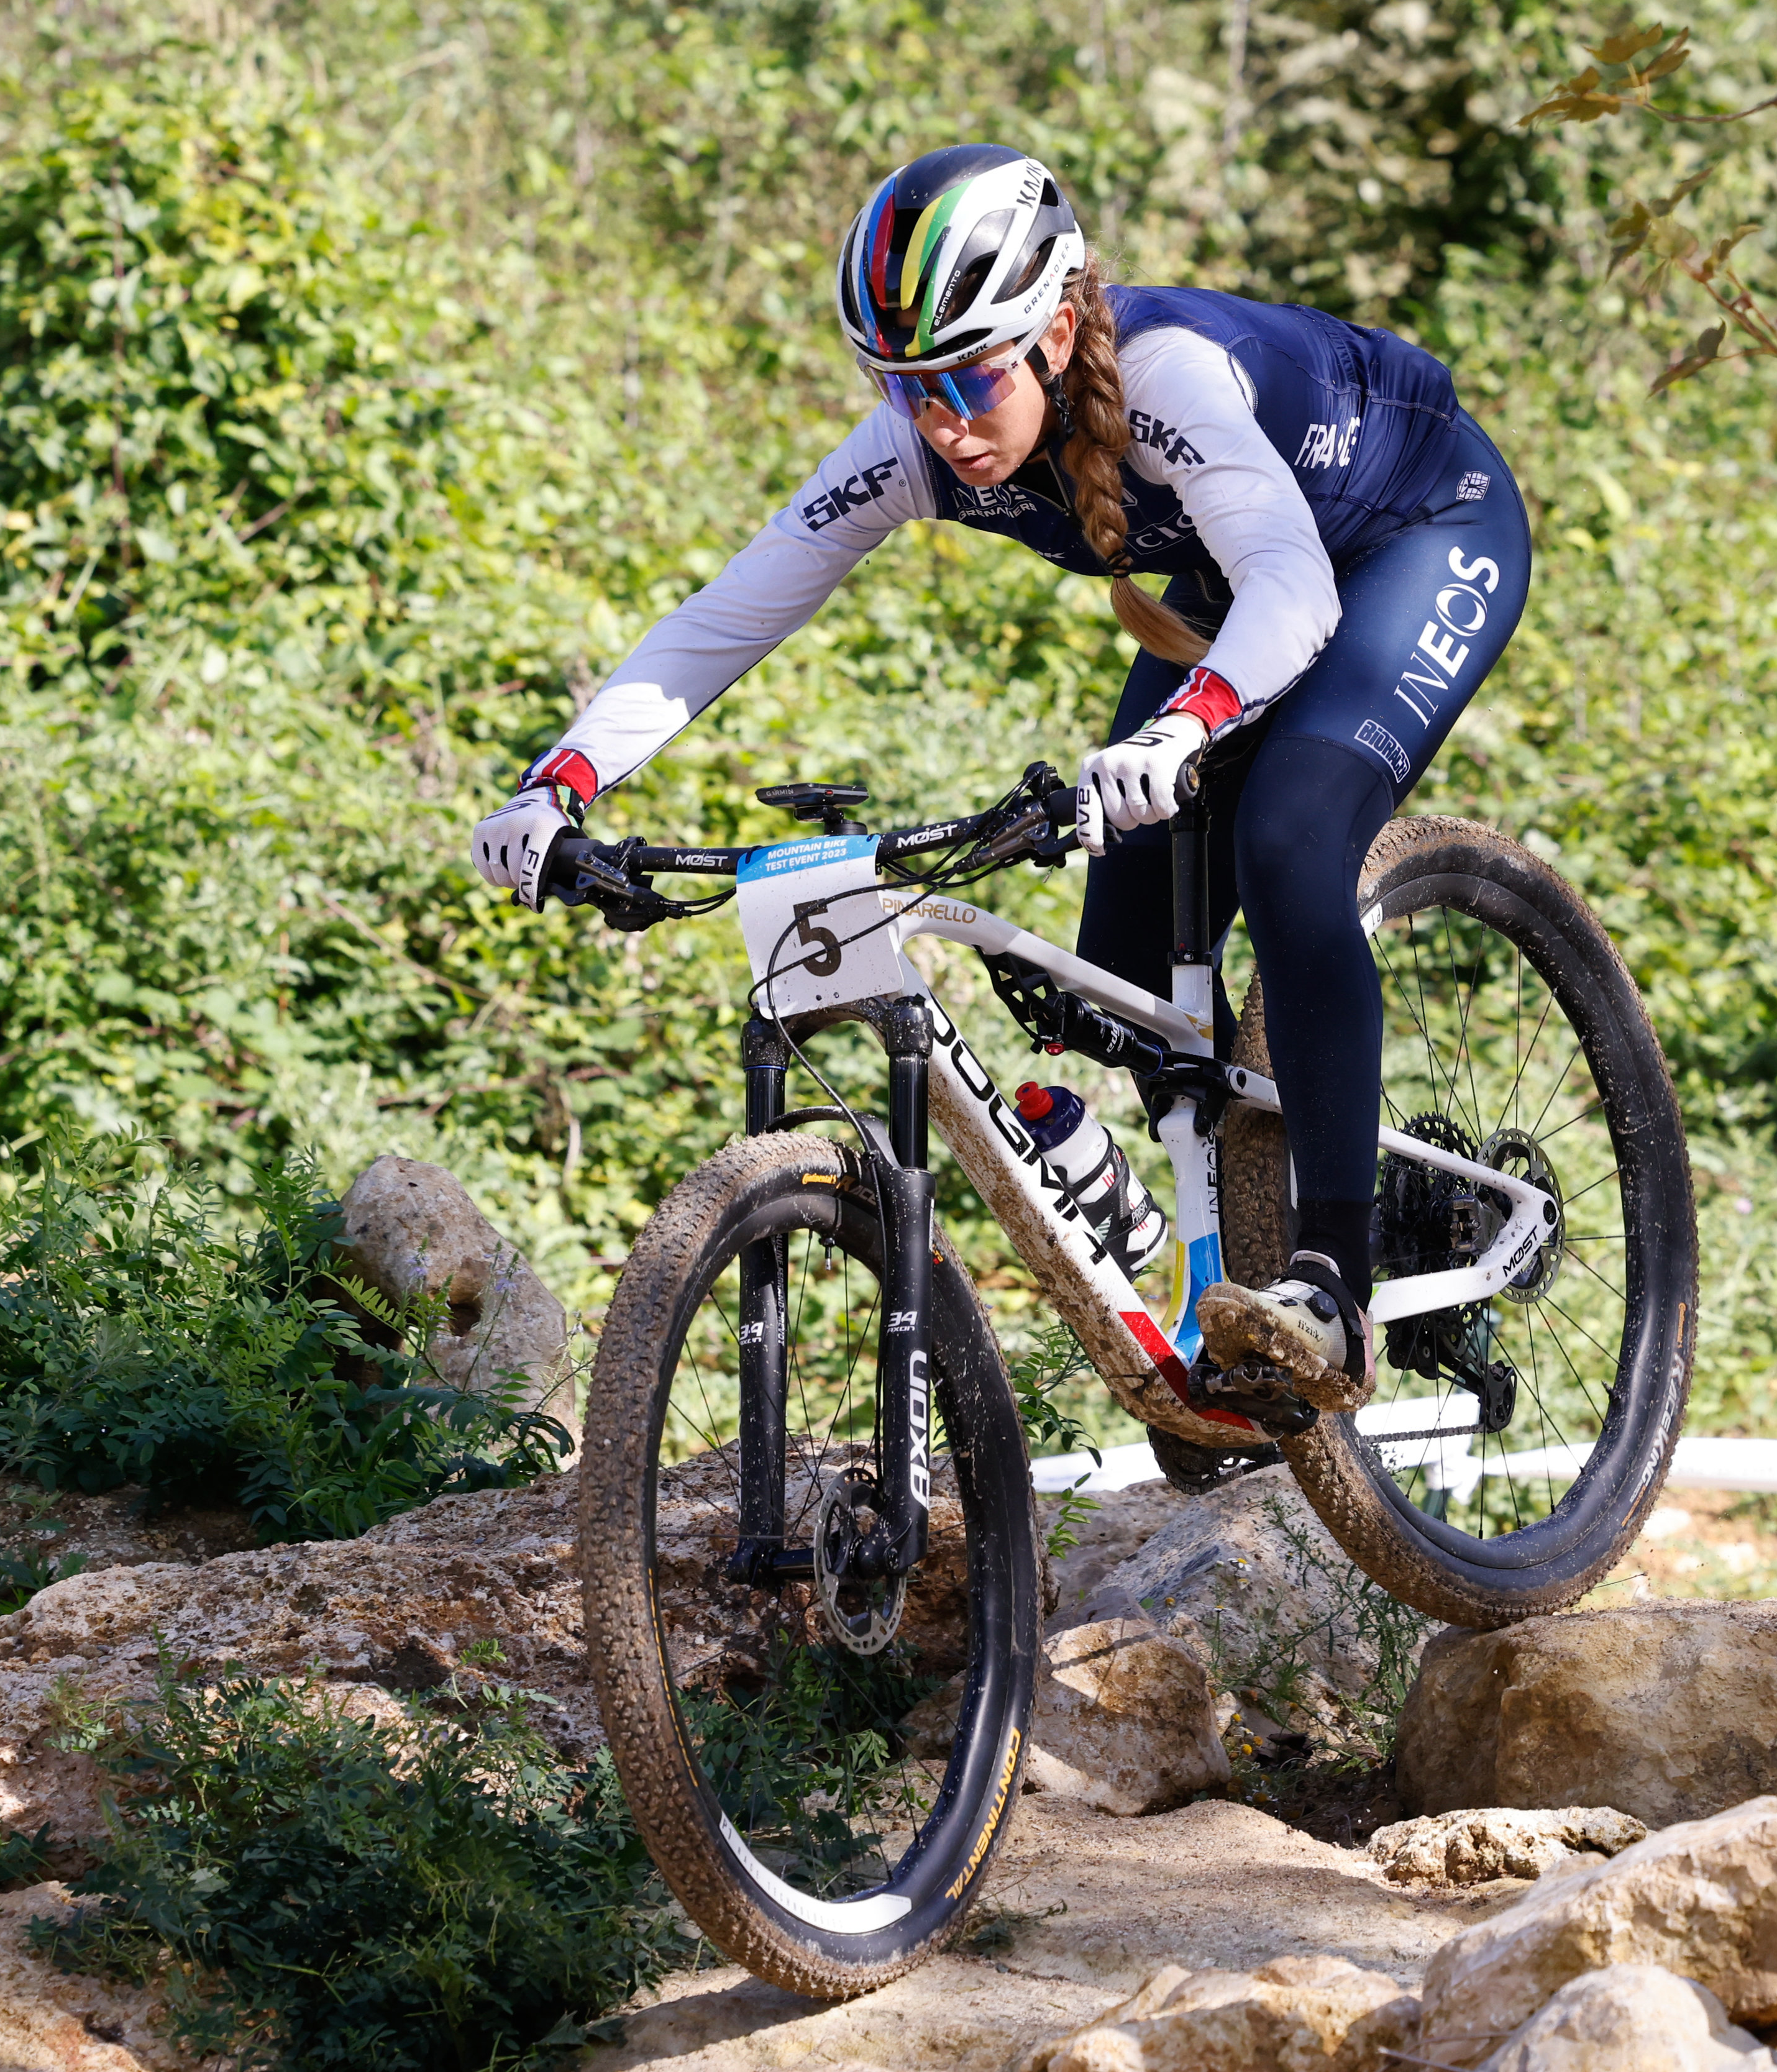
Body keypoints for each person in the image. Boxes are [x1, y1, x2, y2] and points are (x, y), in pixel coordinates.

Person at [472, 143, 1532, 1416]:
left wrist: (1182, 727)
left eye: (970, 376)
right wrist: (563, 781)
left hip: (1414, 535)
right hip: (1238, 586)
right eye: (901, 384)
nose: (940, 421)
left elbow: (1295, 589)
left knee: (1293, 838)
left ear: (1056, 330)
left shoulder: (1168, 375)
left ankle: (1334, 1283)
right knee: (1111, 970)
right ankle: (1180, 1232)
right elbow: (729, 616)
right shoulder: (922, 445)